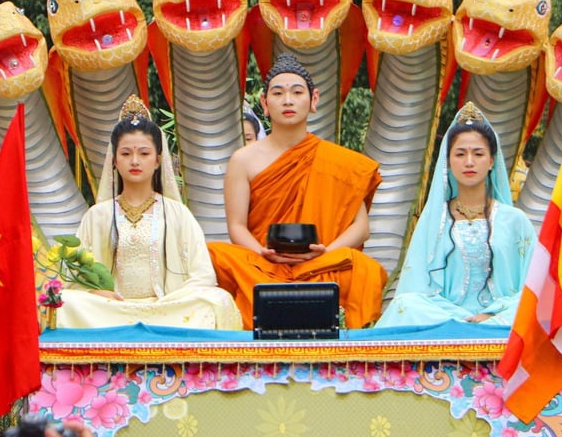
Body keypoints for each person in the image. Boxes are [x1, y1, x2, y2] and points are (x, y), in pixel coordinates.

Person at [208, 55, 387, 329]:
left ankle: (355, 347)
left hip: (320, 263)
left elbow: (361, 228)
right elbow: (237, 227)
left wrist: (324, 252)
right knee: (212, 255)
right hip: (260, 264)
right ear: (265, 104)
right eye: (278, 93)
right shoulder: (243, 159)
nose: (288, 100)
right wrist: (262, 252)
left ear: (313, 100)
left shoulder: (339, 162)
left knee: (364, 268)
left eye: (297, 92)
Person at [58, 95, 242, 330]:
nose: (135, 161)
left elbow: (203, 275)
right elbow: (72, 278)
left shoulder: (178, 213)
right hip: (112, 309)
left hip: (166, 308)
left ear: (157, 160)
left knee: (216, 300)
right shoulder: (98, 215)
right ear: (114, 160)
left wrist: (170, 300)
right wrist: (98, 292)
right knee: (66, 302)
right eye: (126, 154)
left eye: (144, 154)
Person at [375, 103, 535, 327]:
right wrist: (458, 317)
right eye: (460, 154)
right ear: (448, 161)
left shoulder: (515, 220)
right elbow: (417, 285)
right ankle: (458, 328)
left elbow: (534, 288)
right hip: (443, 318)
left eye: (478, 154)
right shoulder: (434, 220)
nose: (469, 162)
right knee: (407, 304)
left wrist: (493, 314)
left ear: (491, 161)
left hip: (500, 319)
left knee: (532, 307)